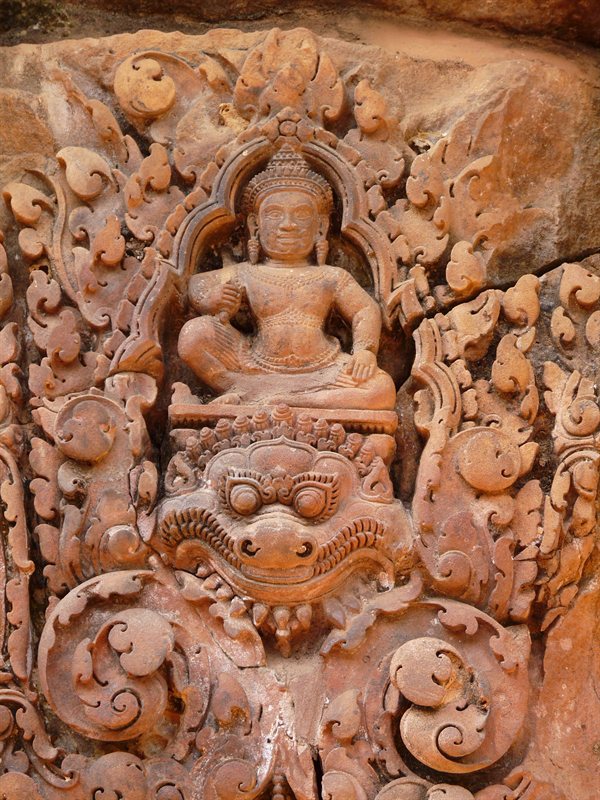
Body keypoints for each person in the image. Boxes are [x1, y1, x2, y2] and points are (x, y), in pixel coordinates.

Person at [178, 145, 396, 410]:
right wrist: (212, 300)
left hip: (324, 368)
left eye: (302, 215)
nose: (287, 224)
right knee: (193, 335)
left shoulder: (330, 275)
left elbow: (364, 309)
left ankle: (282, 399)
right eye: (274, 214)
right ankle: (243, 388)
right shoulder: (248, 272)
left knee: (382, 389)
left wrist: (364, 351)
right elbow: (196, 284)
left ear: (321, 227)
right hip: (255, 365)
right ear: (254, 226)